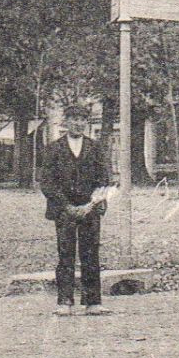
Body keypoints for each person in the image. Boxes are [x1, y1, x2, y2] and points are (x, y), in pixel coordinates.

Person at [39, 104, 112, 316]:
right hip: (64, 210)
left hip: (90, 209)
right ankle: (64, 301)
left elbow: (104, 179)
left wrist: (91, 205)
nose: (78, 123)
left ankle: (93, 301)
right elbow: (48, 183)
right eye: (73, 119)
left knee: (91, 254)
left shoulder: (95, 148)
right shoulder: (53, 149)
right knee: (66, 254)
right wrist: (67, 207)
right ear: (66, 122)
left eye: (82, 119)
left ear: (86, 123)